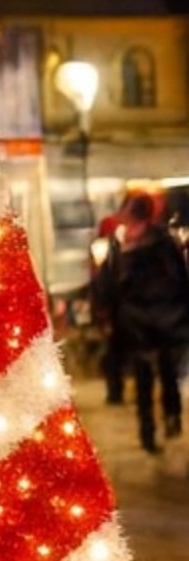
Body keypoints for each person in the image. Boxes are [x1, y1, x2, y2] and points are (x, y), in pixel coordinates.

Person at [98, 193, 189, 454]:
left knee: (167, 371)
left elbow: (176, 284)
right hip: (135, 325)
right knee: (143, 378)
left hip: (162, 322)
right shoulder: (118, 244)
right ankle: (148, 431)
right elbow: (109, 284)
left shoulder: (161, 244)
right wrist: (107, 313)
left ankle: (171, 416)